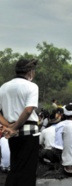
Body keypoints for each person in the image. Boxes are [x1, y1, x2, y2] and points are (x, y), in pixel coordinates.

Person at [0, 58, 39, 186]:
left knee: (16, 166)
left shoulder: (4, 87)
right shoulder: (32, 86)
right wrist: (14, 127)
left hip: (12, 134)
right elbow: (28, 110)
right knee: (28, 170)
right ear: (30, 72)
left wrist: (8, 126)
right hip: (28, 132)